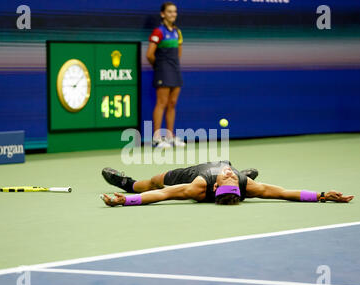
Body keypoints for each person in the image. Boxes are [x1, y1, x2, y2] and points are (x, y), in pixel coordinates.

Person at [100, 161, 354, 207]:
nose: (231, 175)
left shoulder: (197, 187)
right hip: (223, 174)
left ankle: (128, 183)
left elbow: (163, 195)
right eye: (233, 177)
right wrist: (322, 195)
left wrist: (128, 200)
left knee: (155, 181)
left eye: (229, 177)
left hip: (190, 173)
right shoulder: (245, 185)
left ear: (215, 187)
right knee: (254, 180)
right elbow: (285, 193)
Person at [146, 2, 185, 149]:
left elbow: (178, 54)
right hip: (162, 70)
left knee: (172, 103)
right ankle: (157, 138)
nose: (173, 14)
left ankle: (170, 136)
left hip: (175, 70)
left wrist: (172, 66)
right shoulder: (158, 32)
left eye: (174, 12)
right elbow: (149, 54)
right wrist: (160, 67)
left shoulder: (177, 32)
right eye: (169, 12)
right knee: (161, 103)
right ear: (163, 14)